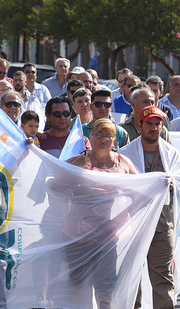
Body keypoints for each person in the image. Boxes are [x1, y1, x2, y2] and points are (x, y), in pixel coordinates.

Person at [66, 118, 137, 308]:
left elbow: (141, 189)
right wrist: (75, 175)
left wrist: (164, 182)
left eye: (109, 135)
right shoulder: (81, 160)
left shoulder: (123, 162)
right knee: (79, 288)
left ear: (115, 140)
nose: (103, 139)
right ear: (91, 136)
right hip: (79, 237)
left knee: (106, 288)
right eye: (99, 134)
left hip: (108, 238)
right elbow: (54, 183)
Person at [120, 106, 178, 309]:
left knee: (163, 278)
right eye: (149, 124)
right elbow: (118, 189)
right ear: (140, 125)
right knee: (131, 278)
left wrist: (173, 185)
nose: (154, 128)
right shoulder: (124, 154)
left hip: (162, 226)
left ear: (162, 126)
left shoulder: (172, 155)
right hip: (133, 226)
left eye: (157, 124)